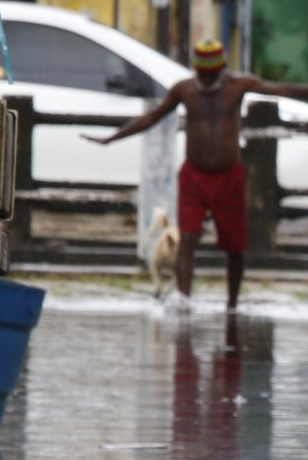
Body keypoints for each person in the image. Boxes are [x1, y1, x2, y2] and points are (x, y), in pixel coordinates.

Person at [97, 36, 273, 306]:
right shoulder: (184, 90)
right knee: (188, 237)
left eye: (209, 72)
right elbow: (151, 118)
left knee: (236, 247)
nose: (204, 76)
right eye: (200, 71)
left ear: (220, 68)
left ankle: (232, 304)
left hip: (229, 176)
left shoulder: (237, 87)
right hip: (195, 175)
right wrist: (113, 137)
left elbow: (281, 89)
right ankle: (183, 299)